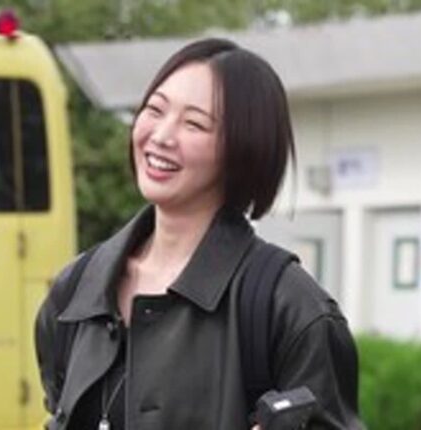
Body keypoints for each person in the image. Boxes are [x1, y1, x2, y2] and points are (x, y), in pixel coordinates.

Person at [35, 38, 360, 430]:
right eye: (155, 109)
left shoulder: (288, 307)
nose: (161, 136)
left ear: (243, 149)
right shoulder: (75, 291)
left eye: (194, 124)